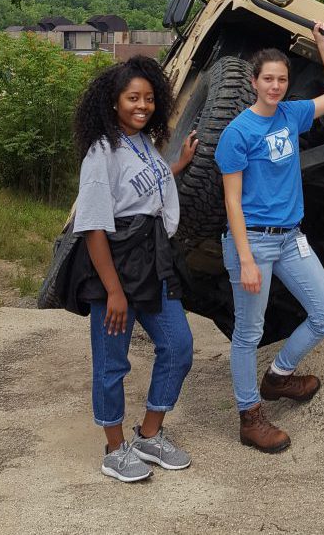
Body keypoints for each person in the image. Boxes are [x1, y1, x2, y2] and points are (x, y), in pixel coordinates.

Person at [215, 24, 324, 453]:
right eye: (267, 79)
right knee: (248, 332)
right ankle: (249, 417)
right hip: (252, 241)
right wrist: (247, 259)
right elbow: (232, 202)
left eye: (282, 79)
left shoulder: (291, 114)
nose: (274, 86)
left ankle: (278, 377)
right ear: (254, 82)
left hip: (291, 238)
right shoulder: (237, 133)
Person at [72, 55, 198, 482]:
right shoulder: (101, 152)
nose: (141, 106)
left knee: (178, 346)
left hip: (153, 260)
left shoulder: (143, 143)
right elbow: (92, 228)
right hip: (115, 263)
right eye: (132, 98)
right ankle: (114, 448)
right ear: (113, 102)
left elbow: (149, 188)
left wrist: (177, 163)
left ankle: (148, 435)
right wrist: (113, 291)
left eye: (148, 98)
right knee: (111, 363)